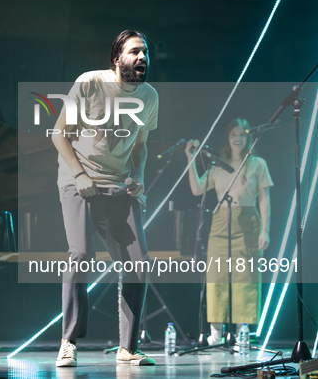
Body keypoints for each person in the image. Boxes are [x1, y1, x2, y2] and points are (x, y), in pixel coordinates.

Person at [51, 30, 158, 367]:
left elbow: (139, 147)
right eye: (134, 52)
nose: (142, 58)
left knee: (139, 264)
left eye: (146, 53)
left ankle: (128, 348)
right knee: (81, 253)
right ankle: (68, 341)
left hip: (117, 186)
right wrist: (80, 175)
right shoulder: (89, 83)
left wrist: (138, 176)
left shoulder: (150, 96)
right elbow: (59, 134)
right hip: (77, 178)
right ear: (117, 59)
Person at [184, 119, 272, 344]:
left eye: (242, 134)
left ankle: (243, 331)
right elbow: (196, 190)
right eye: (233, 134)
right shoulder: (217, 165)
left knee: (246, 276)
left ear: (248, 137)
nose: (238, 138)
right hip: (220, 223)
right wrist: (191, 158)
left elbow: (264, 199)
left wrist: (265, 230)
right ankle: (216, 333)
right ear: (228, 138)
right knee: (216, 276)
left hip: (248, 223)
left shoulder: (258, 163)